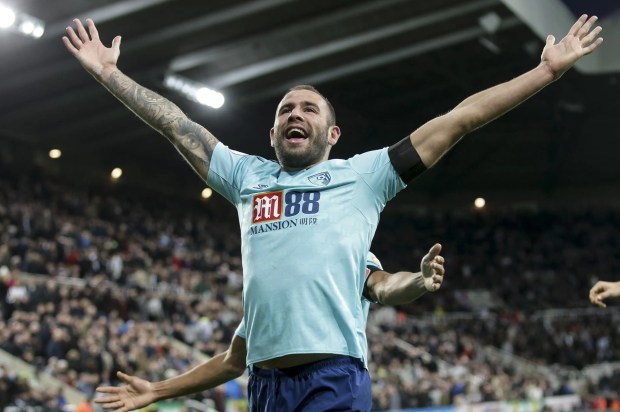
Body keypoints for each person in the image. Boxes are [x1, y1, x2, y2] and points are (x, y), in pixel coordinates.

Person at [63, 14, 603, 411]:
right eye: (284, 111)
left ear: (333, 134)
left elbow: (457, 121)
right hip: (266, 388)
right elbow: (176, 125)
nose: (295, 114)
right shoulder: (248, 177)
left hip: (333, 379)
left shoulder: (362, 175)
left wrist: (545, 74)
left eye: (308, 108)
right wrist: (110, 76)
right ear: (271, 134)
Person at [94, 246, 445, 411]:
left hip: (331, 381)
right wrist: (157, 390)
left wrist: (417, 280)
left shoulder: (348, 252)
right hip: (266, 390)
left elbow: (383, 286)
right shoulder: (269, 279)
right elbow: (233, 360)